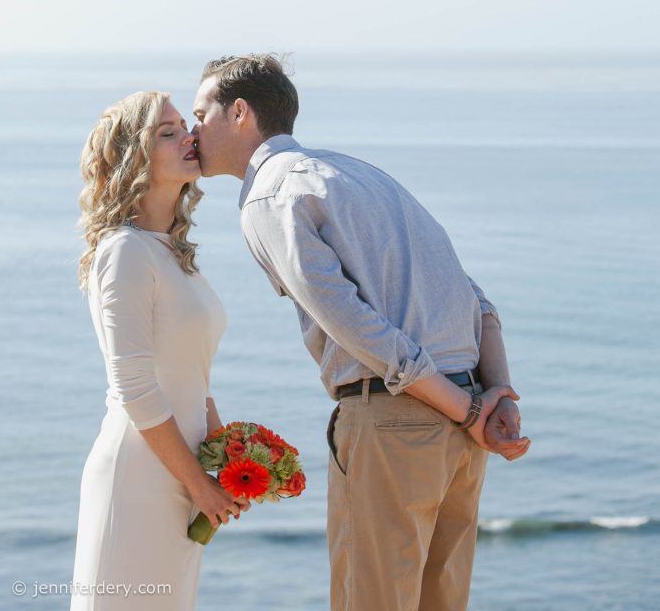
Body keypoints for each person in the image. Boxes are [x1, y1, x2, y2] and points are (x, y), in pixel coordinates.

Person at [192, 54, 530, 611]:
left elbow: (349, 322)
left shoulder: (269, 197)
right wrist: (495, 395)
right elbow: (476, 299)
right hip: (463, 431)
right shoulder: (363, 174)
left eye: (202, 113)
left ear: (241, 112)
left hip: (399, 424)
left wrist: (470, 411)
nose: (193, 129)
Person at [71, 91, 249, 610]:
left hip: (181, 471)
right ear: (133, 158)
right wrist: (198, 483)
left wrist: (228, 449)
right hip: (141, 477)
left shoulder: (171, 251)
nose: (188, 137)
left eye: (183, 127)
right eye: (166, 132)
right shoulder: (124, 251)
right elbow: (133, 384)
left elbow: (194, 376)